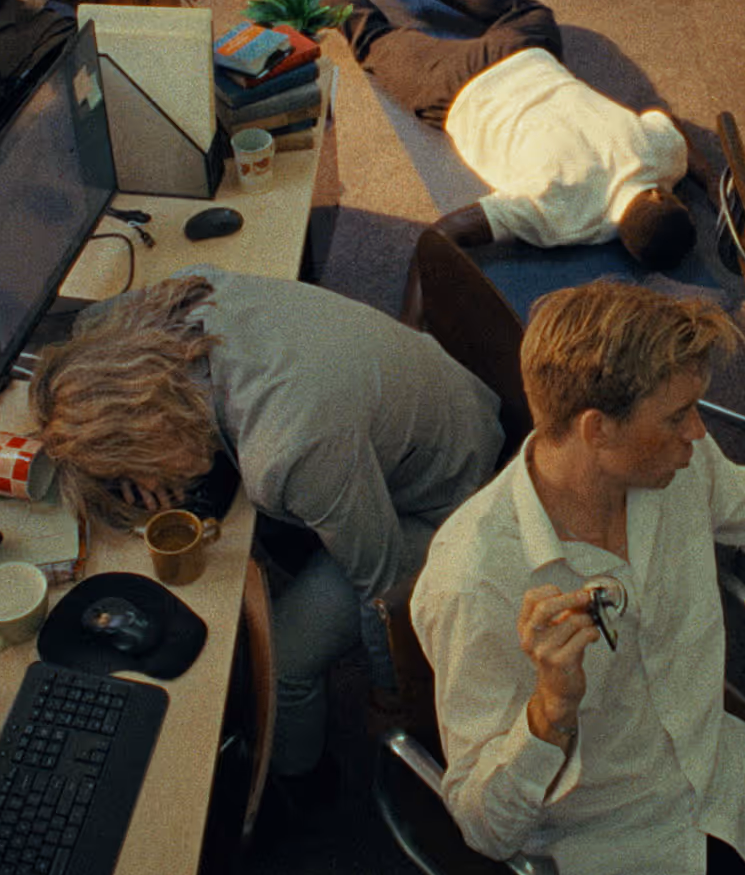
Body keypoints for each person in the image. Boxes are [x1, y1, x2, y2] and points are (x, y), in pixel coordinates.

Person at [412, 280, 745, 875]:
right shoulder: (474, 581)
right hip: (625, 856)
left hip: (735, 791)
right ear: (597, 431)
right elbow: (482, 827)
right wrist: (549, 712)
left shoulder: (674, 462)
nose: (698, 432)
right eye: (676, 417)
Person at [28, 265, 506, 797]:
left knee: (284, 661)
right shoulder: (187, 299)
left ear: (146, 431)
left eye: (132, 470)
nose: (141, 485)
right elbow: (88, 321)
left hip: (454, 501)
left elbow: (383, 588)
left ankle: (303, 788)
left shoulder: (289, 452)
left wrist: (391, 693)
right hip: (429, 402)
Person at [244, 0, 707, 268]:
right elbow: (447, 233)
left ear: (665, 196)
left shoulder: (662, 156)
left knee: (527, 11)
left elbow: (669, 122)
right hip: (456, 87)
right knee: (369, 37)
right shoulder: (561, 216)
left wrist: (712, 179)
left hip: (526, 54)